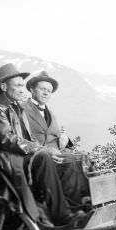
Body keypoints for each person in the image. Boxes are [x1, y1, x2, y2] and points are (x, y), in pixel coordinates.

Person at [0, 63, 84, 227]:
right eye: (17, 85)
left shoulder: (16, 109)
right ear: (3, 87)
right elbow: (7, 139)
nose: (22, 89)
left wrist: (50, 148)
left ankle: (74, 209)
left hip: (21, 155)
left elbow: (27, 138)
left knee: (66, 160)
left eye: (22, 85)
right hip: (7, 159)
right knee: (44, 157)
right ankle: (62, 217)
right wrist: (41, 149)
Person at [23, 71, 90, 210]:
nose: (46, 93)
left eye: (49, 91)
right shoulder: (22, 110)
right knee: (69, 161)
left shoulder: (51, 113)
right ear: (31, 89)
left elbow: (54, 134)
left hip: (55, 152)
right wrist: (46, 150)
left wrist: (64, 137)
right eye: (43, 89)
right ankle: (71, 207)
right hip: (37, 157)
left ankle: (86, 201)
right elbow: (21, 138)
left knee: (82, 157)